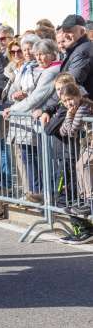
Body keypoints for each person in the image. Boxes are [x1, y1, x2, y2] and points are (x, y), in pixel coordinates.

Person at [3, 38, 61, 203]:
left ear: (52, 53)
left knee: (47, 162)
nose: (40, 58)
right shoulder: (32, 68)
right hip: (33, 118)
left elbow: (37, 96)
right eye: (38, 55)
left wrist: (13, 109)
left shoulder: (52, 70)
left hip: (47, 120)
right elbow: (12, 91)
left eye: (43, 54)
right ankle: (38, 196)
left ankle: (49, 199)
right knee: (34, 160)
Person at [56, 82, 93, 244]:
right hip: (89, 142)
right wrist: (70, 115)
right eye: (65, 101)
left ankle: (89, 199)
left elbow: (72, 130)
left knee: (82, 165)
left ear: (78, 96)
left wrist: (70, 115)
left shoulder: (84, 107)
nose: (69, 103)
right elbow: (64, 131)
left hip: (90, 142)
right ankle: (86, 199)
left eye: (71, 99)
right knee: (80, 165)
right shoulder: (74, 109)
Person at [59, 14, 93, 95]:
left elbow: (70, 85)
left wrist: (57, 107)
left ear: (82, 32)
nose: (65, 35)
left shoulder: (83, 51)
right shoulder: (76, 49)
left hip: (81, 104)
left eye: (70, 31)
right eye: (64, 31)